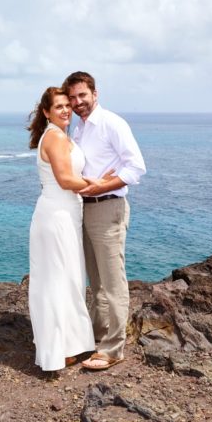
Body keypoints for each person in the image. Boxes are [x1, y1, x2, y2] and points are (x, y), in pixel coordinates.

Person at [62, 71, 146, 370]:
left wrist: (102, 186)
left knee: (113, 282)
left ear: (95, 94)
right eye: (71, 98)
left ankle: (114, 349)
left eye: (82, 95)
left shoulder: (112, 123)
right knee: (95, 282)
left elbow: (136, 167)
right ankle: (95, 339)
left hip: (108, 206)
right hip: (85, 208)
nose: (77, 102)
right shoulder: (79, 130)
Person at [26, 86, 96, 374]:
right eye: (59, 106)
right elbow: (66, 180)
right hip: (56, 216)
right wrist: (101, 184)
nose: (67, 110)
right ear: (46, 112)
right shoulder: (54, 137)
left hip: (65, 214)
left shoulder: (60, 136)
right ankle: (58, 350)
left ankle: (68, 346)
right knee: (57, 281)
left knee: (67, 279)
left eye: (68, 105)